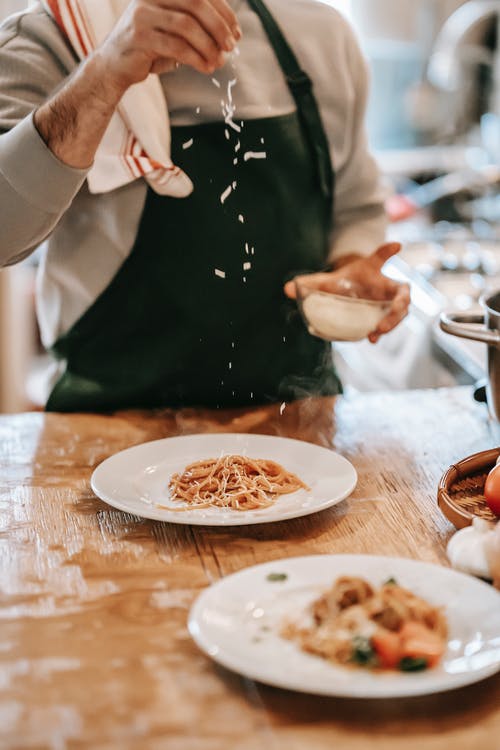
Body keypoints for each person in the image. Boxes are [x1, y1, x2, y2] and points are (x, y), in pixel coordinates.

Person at [0, 0, 410, 412]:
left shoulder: (323, 34)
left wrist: (352, 268)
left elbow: (355, 206)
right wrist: (106, 70)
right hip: (108, 420)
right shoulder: (51, 34)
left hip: (293, 416)